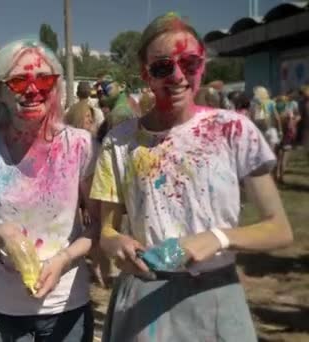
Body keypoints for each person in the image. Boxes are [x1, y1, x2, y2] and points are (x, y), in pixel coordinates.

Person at [90, 13, 293, 341]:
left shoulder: (233, 130)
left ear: (202, 66)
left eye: (190, 63)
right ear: (145, 73)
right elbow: (106, 232)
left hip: (213, 299)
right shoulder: (120, 140)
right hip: (143, 300)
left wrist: (218, 237)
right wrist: (116, 244)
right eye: (162, 67)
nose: (178, 76)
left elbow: (279, 229)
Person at [0, 39, 98, 341]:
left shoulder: (80, 145)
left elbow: (97, 228)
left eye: (44, 79)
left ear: (57, 86)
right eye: (19, 80)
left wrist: (62, 260)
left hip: (67, 303)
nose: (33, 89)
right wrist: (0, 234)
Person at [275, 95, 301, 183]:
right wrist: (294, 121)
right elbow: (292, 125)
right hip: (286, 137)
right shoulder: (288, 112)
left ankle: (276, 174)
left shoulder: (275, 112)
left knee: (277, 156)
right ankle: (281, 176)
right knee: (284, 157)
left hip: (277, 136)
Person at [250, 86, 281, 151]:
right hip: (270, 128)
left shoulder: (253, 104)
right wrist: (280, 130)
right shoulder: (270, 102)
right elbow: (277, 117)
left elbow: (252, 119)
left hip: (259, 130)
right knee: (272, 150)